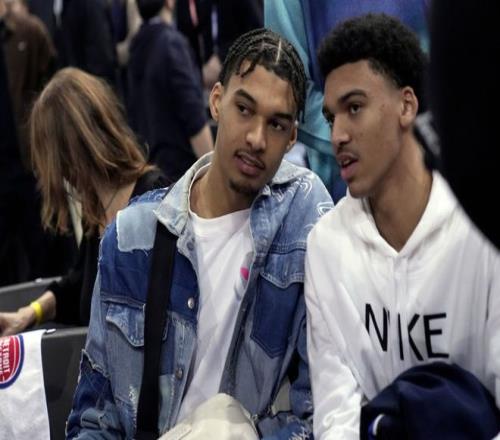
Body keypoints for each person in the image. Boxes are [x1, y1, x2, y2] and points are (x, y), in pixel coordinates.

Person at [67, 28, 333, 439]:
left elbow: (322, 409)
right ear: (216, 101)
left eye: (276, 124)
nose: (256, 138)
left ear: (292, 138)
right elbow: (94, 417)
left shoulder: (304, 216)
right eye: (244, 109)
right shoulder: (132, 238)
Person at [304, 13, 500, 439]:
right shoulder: (325, 246)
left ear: (407, 106)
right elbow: (336, 418)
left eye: (354, 107)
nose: (337, 135)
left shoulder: (481, 230)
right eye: (332, 116)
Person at [0, 67, 167, 336]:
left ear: (72, 154)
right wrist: (29, 314)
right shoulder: (96, 212)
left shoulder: (152, 200)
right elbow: (75, 287)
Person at [127, 0, 213, 182]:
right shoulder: (172, 44)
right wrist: (212, 173)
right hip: (184, 174)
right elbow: (194, 118)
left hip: (152, 173)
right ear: (169, 3)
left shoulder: (136, 47)